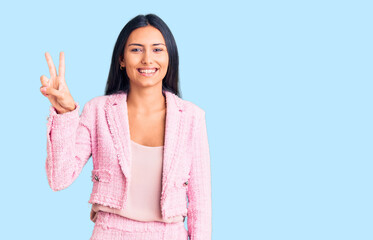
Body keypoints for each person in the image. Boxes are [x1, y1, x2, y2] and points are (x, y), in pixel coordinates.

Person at [40, 14, 211, 240]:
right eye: (136, 50)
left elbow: (200, 205)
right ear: (121, 59)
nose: (147, 59)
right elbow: (59, 178)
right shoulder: (98, 111)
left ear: (170, 57)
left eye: (158, 50)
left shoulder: (191, 117)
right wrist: (65, 113)